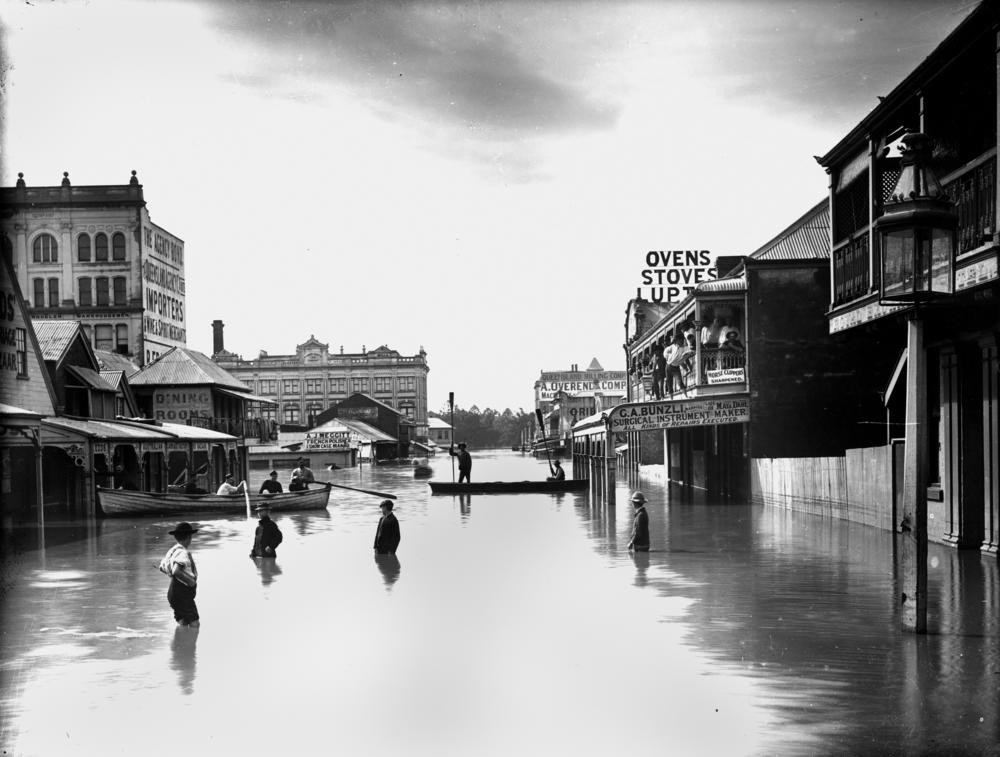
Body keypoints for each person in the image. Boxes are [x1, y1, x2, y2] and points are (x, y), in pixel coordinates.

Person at [158, 522, 200, 627]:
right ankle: (186, 641)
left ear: (176, 537)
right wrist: (191, 582)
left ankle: (180, 642)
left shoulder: (172, 551)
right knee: (195, 623)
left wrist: (171, 573)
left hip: (172, 592)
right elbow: (176, 571)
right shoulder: (183, 553)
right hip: (182, 593)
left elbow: (162, 567)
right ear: (189, 537)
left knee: (183, 622)